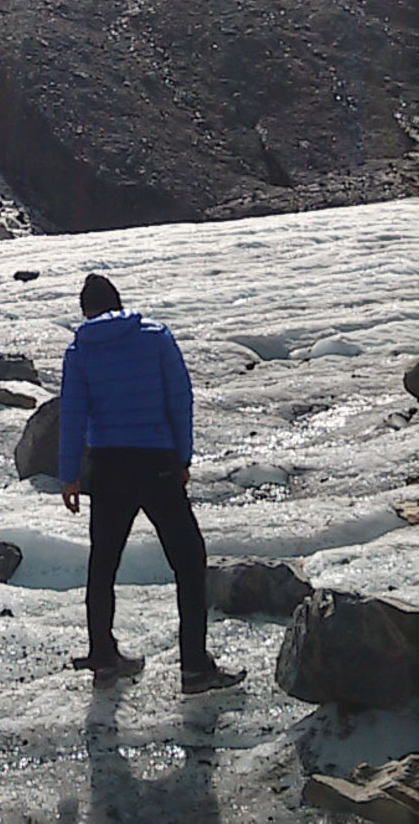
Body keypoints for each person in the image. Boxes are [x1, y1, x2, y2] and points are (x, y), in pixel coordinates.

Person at [59, 273, 243, 694]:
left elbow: (72, 415)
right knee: (188, 561)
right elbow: (179, 398)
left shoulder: (80, 349)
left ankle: (104, 658)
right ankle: (195, 666)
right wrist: (182, 457)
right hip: (156, 461)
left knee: (103, 564)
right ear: (119, 303)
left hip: (107, 466)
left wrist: (69, 475)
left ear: (86, 311)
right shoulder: (156, 337)